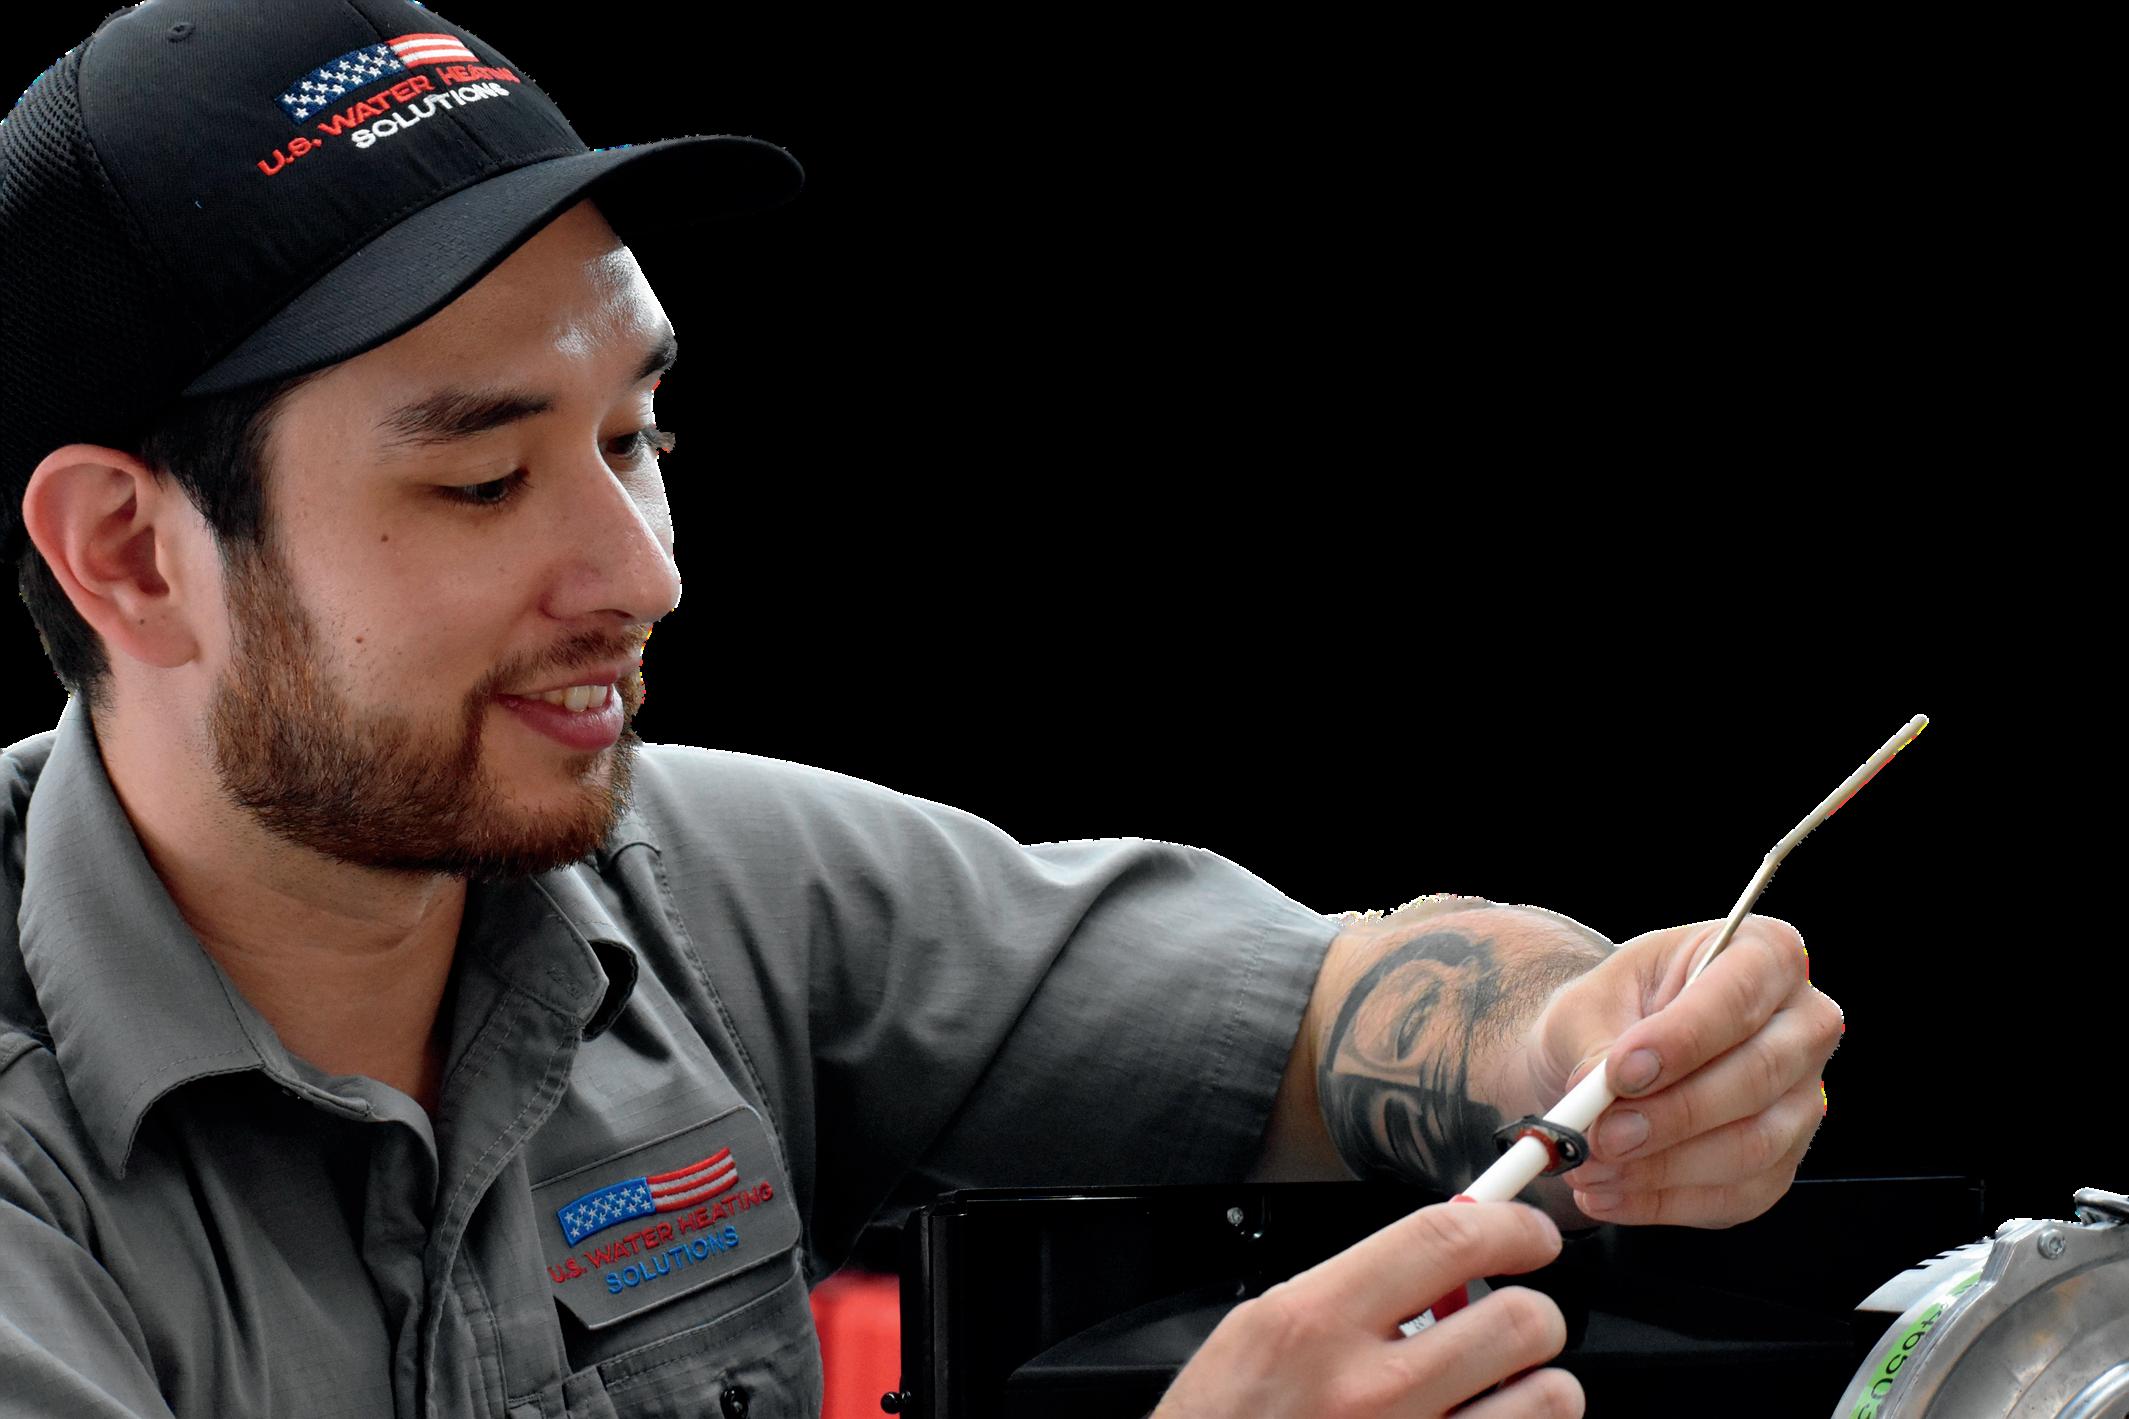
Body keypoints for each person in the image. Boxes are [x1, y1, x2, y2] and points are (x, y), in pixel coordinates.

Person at [0, 3, 1845, 1415]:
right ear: (131, 556)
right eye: (482, 481)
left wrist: (1581, 1039)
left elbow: (1322, 1011)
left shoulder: (705, 885)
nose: (642, 574)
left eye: (636, 438)